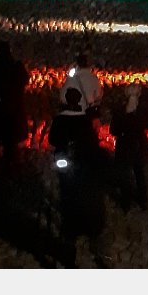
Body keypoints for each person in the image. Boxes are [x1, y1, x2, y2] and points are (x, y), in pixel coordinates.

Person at [49, 87, 111, 268]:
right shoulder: (84, 120)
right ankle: (96, 251)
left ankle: (70, 252)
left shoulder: (60, 120)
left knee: (68, 197)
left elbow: (53, 140)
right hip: (81, 166)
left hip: (70, 167)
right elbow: (92, 142)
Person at [110, 84, 148, 212]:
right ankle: (142, 201)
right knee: (139, 173)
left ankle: (125, 203)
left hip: (125, 144)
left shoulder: (119, 110)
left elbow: (114, 130)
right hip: (139, 144)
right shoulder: (143, 110)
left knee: (124, 174)